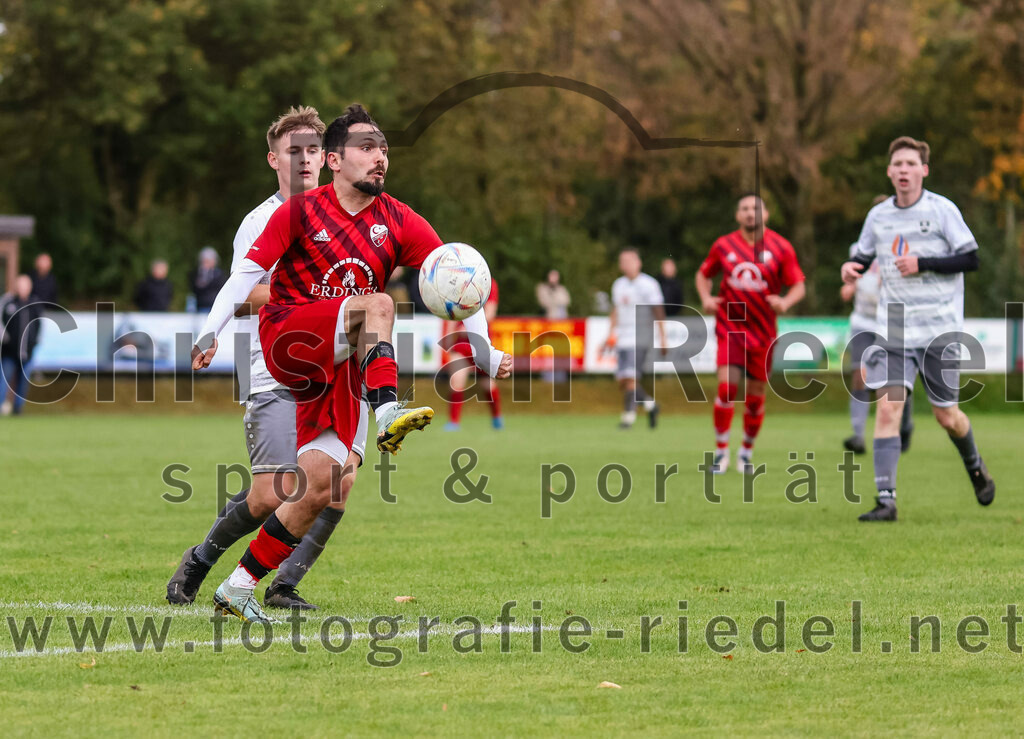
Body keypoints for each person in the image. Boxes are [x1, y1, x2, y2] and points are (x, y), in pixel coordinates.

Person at [192, 104, 511, 623]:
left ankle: (238, 587)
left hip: (338, 364)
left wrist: (487, 350)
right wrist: (211, 329)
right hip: (290, 339)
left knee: (324, 483)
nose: (380, 156)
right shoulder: (298, 211)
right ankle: (387, 411)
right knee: (378, 302)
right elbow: (243, 276)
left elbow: (461, 284)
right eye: (367, 147)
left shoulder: (399, 219)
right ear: (335, 160)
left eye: (384, 148)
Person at [168, 106, 355, 611]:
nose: (305, 160)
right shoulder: (260, 220)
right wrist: (312, 298)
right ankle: (202, 558)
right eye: (294, 151)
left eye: (314, 150)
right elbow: (245, 291)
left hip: (336, 370)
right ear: (274, 159)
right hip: (274, 367)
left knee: (334, 486)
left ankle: (282, 584)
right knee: (273, 492)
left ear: (329, 157)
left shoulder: (349, 215)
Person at [841, 136, 994, 521]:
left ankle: (975, 465)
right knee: (889, 409)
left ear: (924, 170)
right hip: (894, 328)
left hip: (939, 329)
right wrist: (851, 268)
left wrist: (923, 262)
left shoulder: (942, 210)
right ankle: (886, 500)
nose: (904, 170)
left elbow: (972, 259)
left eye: (911, 164)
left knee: (947, 417)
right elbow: (861, 254)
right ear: (889, 172)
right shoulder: (878, 217)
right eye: (898, 165)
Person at [696, 194, 806, 474]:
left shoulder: (781, 247)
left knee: (755, 397)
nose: (749, 213)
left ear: (765, 214)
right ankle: (721, 453)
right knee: (726, 389)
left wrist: (785, 302)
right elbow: (703, 274)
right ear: (737, 215)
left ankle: (745, 452)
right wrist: (706, 298)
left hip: (763, 331)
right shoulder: (724, 245)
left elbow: (798, 286)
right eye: (744, 208)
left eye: (755, 208)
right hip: (731, 327)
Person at [840, 202, 914, 455]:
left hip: (892, 320)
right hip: (862, 320)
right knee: (860, 377)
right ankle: (858, 435)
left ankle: (904, 425)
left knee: (893, 382)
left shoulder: (903, 248)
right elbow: (852, 277)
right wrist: (849, 286)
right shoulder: (859, 249)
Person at [604, 248, 665, 429]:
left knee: (630, 378)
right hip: (623, 337)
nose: (625, 264)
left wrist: (663, 337)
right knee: (623, 380)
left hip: (640, 337)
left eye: (629, 260)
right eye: (622, 261)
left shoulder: (648, 284)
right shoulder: (618, 285)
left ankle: (628, 417)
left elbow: (658, 311)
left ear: (638, 262)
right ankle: (651, 405)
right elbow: (615, 311)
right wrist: (610, 334)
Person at [444, 278, 503, 430]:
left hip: (479, 343)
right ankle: (454, 422)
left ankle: (497, 417)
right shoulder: (456, 283)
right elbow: (451, 313)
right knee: (456, 380)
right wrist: (449, 335)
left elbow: (490, 314)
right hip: (461, 343)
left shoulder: (489, 284)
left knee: (487, 385)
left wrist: (470, 328)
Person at [0, 275, 42, 416]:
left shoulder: (34, 304)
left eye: (25, 286)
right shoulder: (8, 302)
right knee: (3, 381)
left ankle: (18, 409)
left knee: (23, 383)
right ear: (16, 287)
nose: (23, 289)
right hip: (8, 352)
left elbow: (40, 325)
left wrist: (35, 342)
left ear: (29, 288)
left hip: (27, 353)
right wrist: (5, 338)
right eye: (20, 286)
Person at [189, 246, 227, 311]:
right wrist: (202, 276)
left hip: (215, 306)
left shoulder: (219, 274)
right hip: (201, 306)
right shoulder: (197, 274)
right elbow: (194, 289)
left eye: (208, 261)